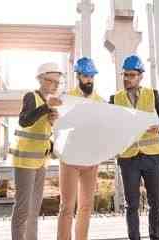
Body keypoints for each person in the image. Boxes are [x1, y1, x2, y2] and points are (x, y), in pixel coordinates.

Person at [110, 55, 159, 240]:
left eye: (131, 75)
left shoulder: (153, 94)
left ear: (140, 76)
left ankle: (155, 237)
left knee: (156, 203)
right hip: (128, 159)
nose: (127, 78)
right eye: (125, 75)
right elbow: (108, 125)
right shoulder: (115, 99)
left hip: (152, 157)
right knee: (132, 205)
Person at [10, 62, 63, 240]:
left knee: (34, 208)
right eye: (52, 81)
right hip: (25, 161)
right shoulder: (31, 96)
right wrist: (46, 108)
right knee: (23, 208)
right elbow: (24, 121)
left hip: (41, 161)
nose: (55, 85)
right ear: (41, 79)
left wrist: (52, 120)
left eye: (58, 82)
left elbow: (43, 133)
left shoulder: (49, 104)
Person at [57, 57, 103, 240]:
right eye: (85, 76)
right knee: (66, 206)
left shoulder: (100, 101)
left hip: (90, 161)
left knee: (85, 206)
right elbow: (58, 127)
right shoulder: (67, 99)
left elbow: (103, 129)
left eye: (92, 76)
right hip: (70, 160)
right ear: (78, 76)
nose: (89, 79)